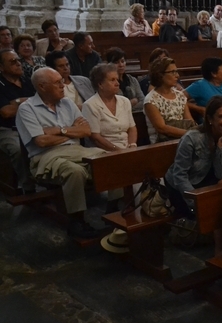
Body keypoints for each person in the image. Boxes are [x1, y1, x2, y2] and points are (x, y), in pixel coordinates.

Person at [15, 68, 106, 238]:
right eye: (57, 82)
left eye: (62, 81)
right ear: (42, 87)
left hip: (76, 151)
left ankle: (115, 209)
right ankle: (76, 221)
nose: (63, 85)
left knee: (109, 159)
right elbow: (41, 141)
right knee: (74, 171)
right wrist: (72, 131)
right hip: (46, 156)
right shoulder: (27, 109)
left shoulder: (68, 103)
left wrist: (58, 130)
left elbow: (86, 131)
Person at [164, 96, 222, 219]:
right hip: (182, 188)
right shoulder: (192, 138)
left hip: (206, 183)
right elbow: (179, 175)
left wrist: (221, 146)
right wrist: (196, 202)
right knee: (213, 211)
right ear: (210, 119)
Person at [0, 49, 36, 191]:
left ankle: (51, 182)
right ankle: (28, 188)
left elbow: (43, 100)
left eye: (18, 60)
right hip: (8, 129)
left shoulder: (27, 80)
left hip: (31, 124)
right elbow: (6, 112)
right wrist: (31, 102)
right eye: (12, 62)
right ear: (1, 67)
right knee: (19, 149)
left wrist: (17, 102)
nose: (18, 64)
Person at [82, 63, 136, 152]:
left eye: (117, 79)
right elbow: (96, 138)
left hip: (128, 149)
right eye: (112, 80)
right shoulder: (90, 105)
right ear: (100, 84)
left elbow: (132, 128)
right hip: (103, 152)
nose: (117, 83)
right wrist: (119, 151)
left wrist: (132, 146)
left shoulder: (125, 101)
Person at [142, 57, 194, 143]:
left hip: (184, 139)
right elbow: (162, 128)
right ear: (160, 75)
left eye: (176, 71)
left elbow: (189, 121)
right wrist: (190, 134)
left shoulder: (180, 95)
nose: (177, 76)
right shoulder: (151, 100)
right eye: (173, 72)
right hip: (162, 144)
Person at [103, 48, 145, 113]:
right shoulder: (107, 82)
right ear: (109, 64)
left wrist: (126, 107)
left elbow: (143, 101)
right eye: (116, 62)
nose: (121, 65)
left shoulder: (132, 80)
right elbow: (114, 107)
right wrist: (131, 102)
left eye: (122, 61)